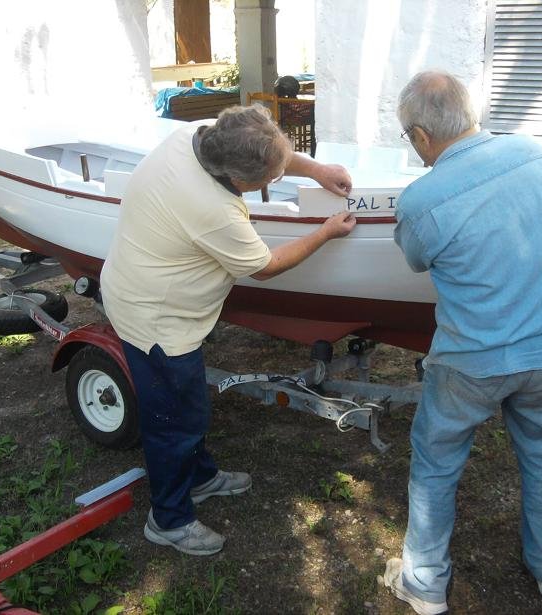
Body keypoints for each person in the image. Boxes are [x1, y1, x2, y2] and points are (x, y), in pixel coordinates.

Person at [100, 105, 355, 556]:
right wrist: (325, 232)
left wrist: (315, 169)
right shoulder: (213, 209)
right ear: (240, 180)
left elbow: (260, 147)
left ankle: (199, 478)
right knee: (174, 423)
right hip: (157, 321)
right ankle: (169, 519)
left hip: (148, 293)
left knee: (191, 407)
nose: (272, 182)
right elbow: (266, 266)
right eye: (268, 180)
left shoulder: (198, 138)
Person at [381, 71, 542, 614]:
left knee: (437, 461)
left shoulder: (421, 199)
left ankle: (424, 586)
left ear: (422, 137)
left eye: (410, 139)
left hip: (473, 359)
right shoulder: (536, 156)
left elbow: (417, 259)